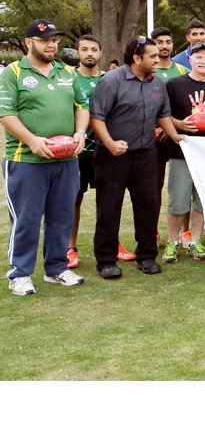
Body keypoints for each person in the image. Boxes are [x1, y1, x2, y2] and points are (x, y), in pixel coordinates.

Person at [0, 19, 89, 295]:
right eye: (44, 40)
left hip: (65, 160)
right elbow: (6, 113)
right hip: (26, 160)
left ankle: (57, 268)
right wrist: (32, 140)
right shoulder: (12, 73)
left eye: (54, 40)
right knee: (26, 219)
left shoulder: (66, 72)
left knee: (62, 217)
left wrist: (80, 133)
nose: (51, 45)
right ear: (29, 42)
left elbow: (82, 105)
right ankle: (20, 273)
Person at [90, 36, 185, 279]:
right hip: (113, 156)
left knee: (148, 205)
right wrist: (110, 144)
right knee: (109, 207)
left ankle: (146, 256)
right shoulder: (111, 81)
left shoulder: (158, 83)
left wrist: (177, 137)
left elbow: (163, 115)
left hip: (146, 155)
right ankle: (106, 260)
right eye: (152, 56)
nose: (158, 59)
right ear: (136, 58)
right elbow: (96, 117)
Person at [69, 35, 135, 268]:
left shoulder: (110, 79)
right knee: (73, 200)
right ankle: (70, 248)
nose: (89, 53)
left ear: (101, 53)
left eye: (94, 49)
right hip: (76, 152)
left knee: (109, 200)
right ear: (77, 53)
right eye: (84, 49)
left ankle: (112, 243)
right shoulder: (68, 78)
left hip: (105, 151)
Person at [163, 42, 205, 263]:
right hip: (182, 150)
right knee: (178, 201)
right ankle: (173, 242)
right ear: (190, 60)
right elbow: (163, 115)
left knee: (201, 201)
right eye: (198, 57)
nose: (203, 61)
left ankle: (196, 242)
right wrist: (179, 125)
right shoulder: (174, 84)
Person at [152, 26, 188, 246]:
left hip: (177, 137)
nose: (164, 46)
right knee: (153, 187)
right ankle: (153, 232)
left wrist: (171, 129)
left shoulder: (183, 71)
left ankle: (185, 232)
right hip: (153, 138)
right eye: (159, 42)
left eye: (167, 42)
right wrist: (160, 128)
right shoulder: (149, 69)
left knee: (184, 186)